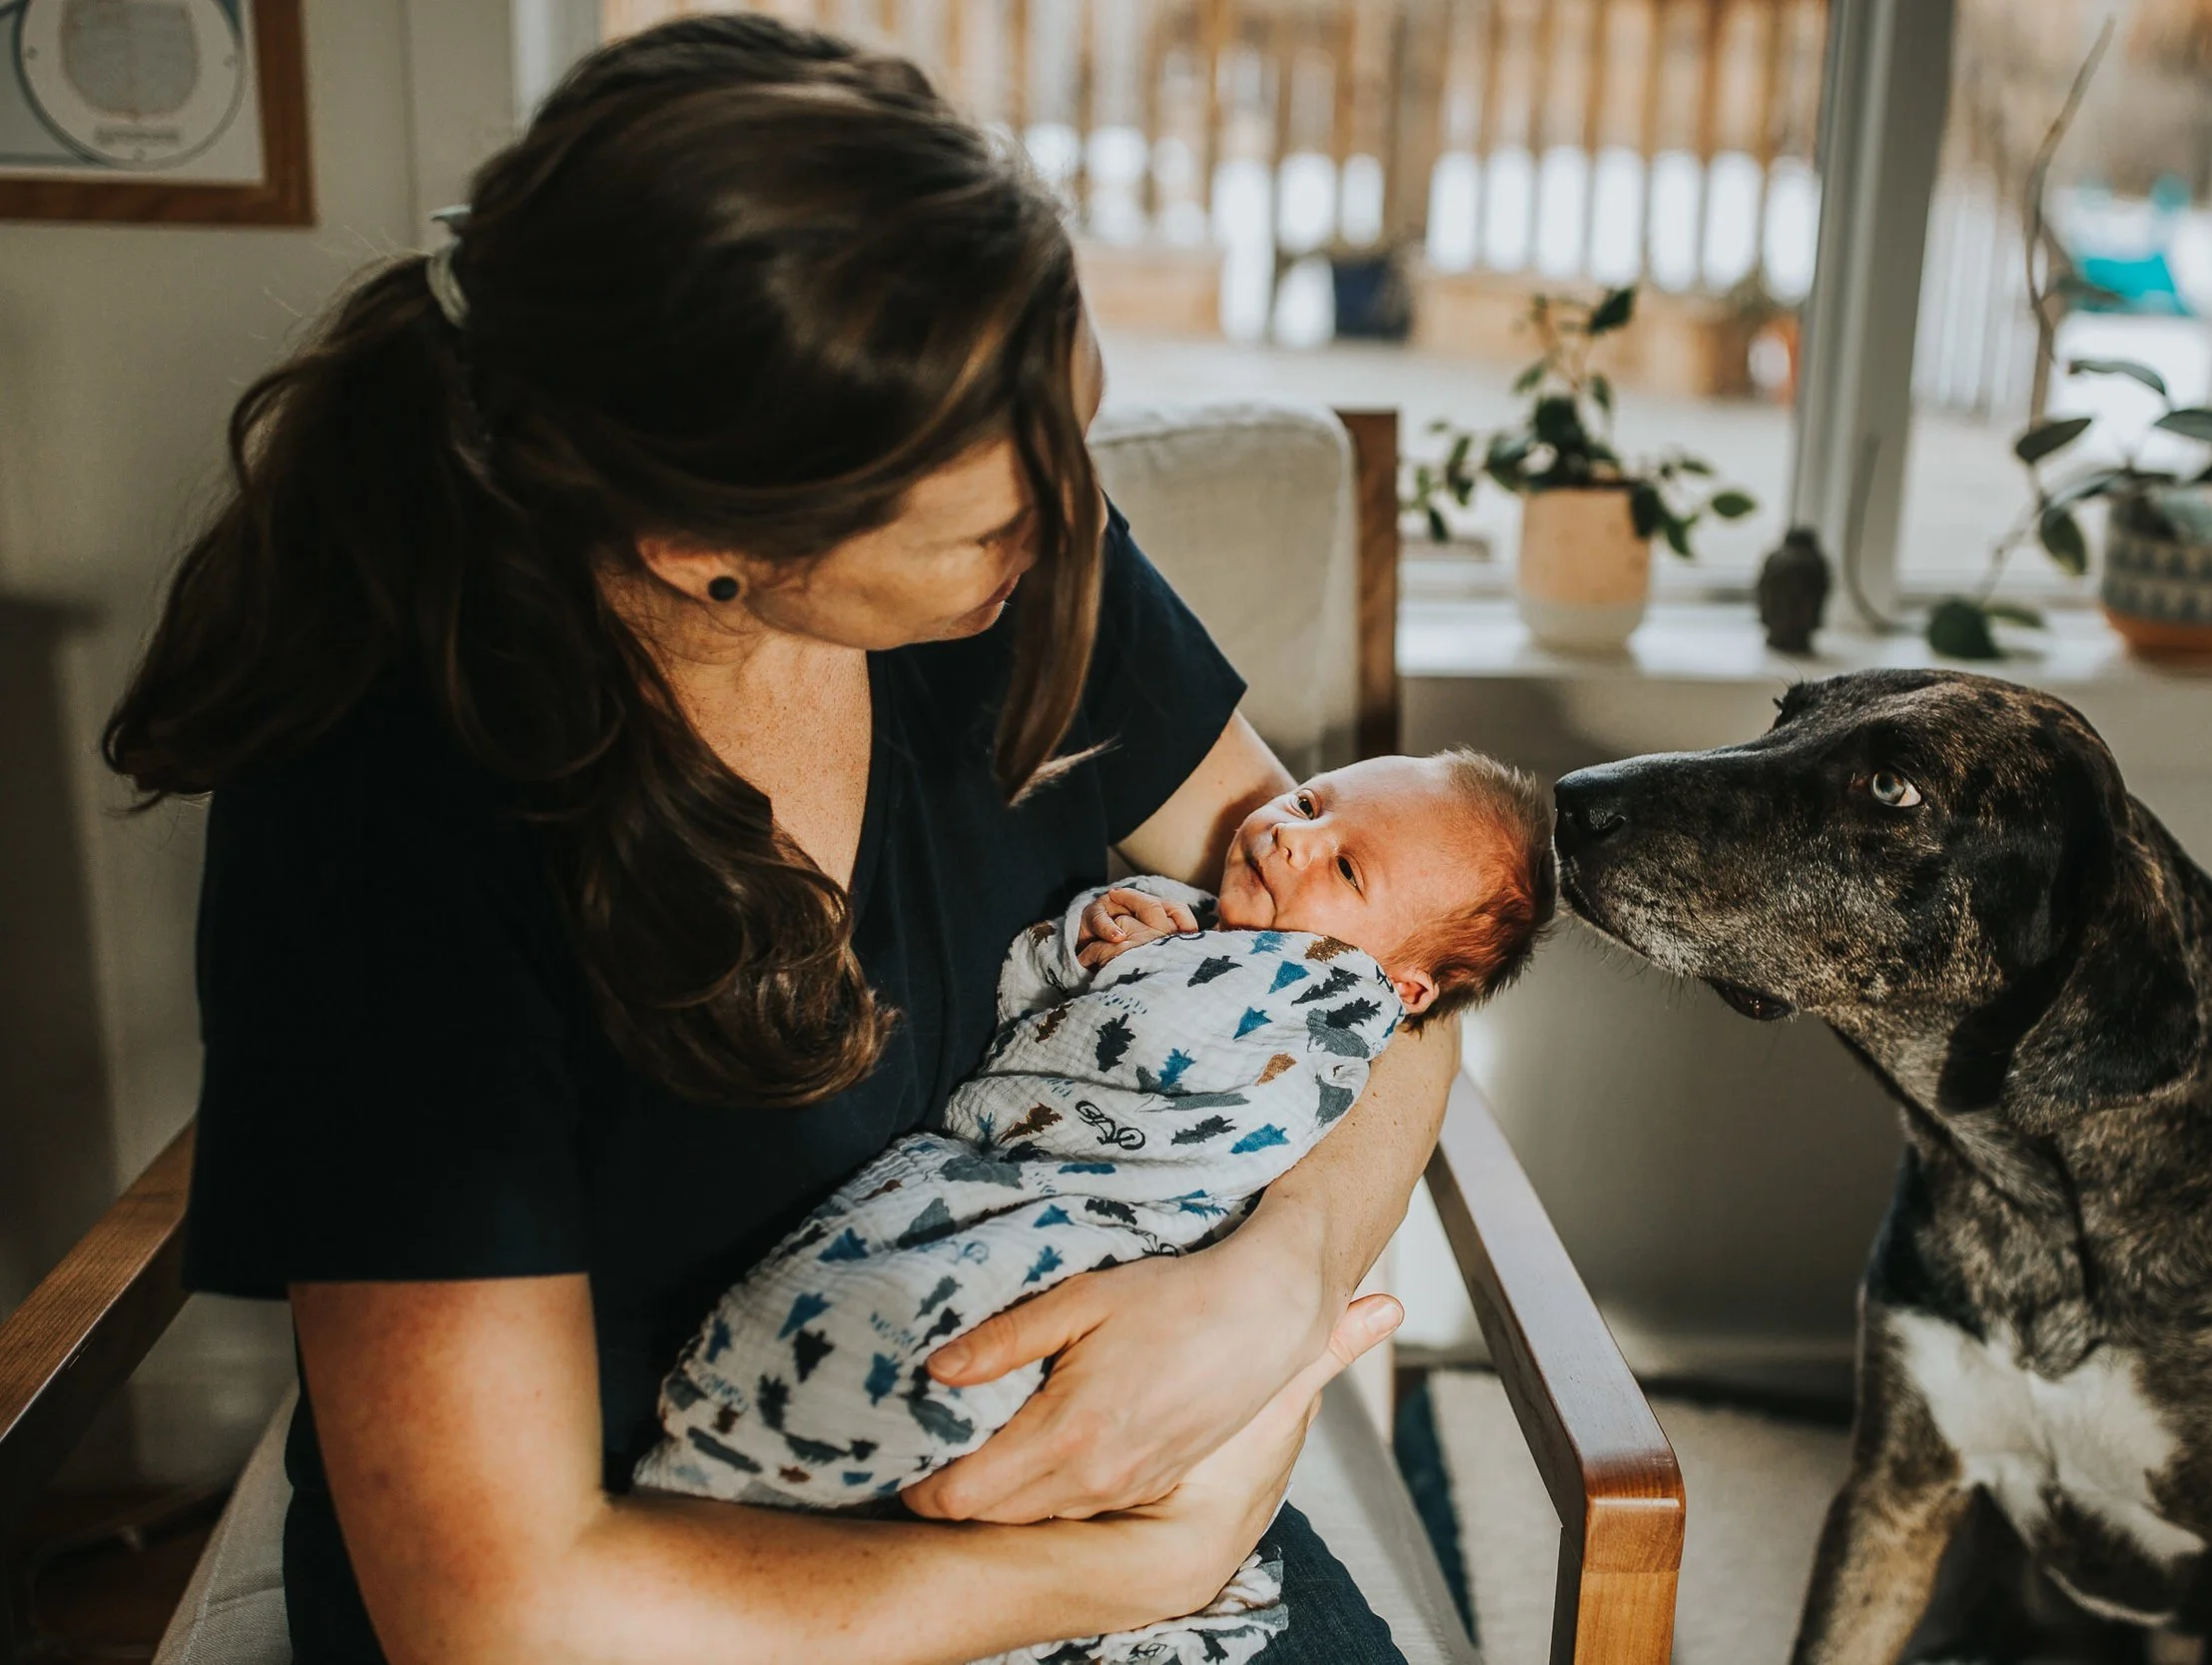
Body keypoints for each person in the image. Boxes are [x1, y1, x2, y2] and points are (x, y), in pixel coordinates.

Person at [102, 17, 1459, 1665]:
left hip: (1095, 1482)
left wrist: (1280, 1277)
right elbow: (504, 1610)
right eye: (995, 520)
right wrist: (1127, 1571)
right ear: (704, 550)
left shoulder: (1029, 581)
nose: (1075, 523)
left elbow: (1397, 971)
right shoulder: (389, 832)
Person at [634, 752, 1554, 1665]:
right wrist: (1082, 939)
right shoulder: (1185, 918)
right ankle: (761, 1490)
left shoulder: (1332, 999)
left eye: (1347, 867)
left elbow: (1197, 1070)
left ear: (1404, 988)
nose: (1293, 836)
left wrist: (1288, 1259)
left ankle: (792, 1475)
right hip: (989, 1181)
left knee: (951, 1352)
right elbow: (1028, 1005)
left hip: (1119, 1238)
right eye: (1308, 800)